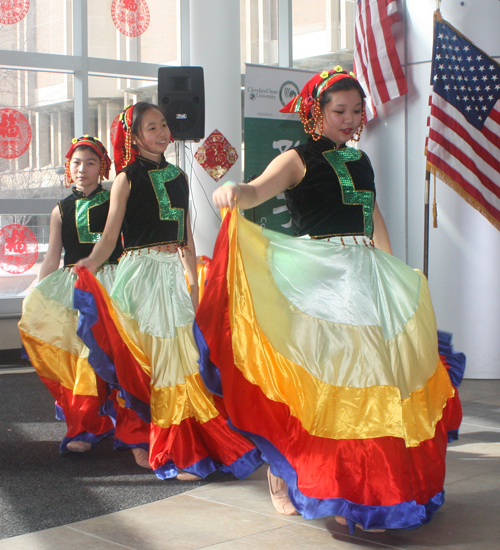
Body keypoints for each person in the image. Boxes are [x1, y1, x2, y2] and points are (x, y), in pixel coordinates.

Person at [195, 67, 463, 531]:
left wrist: (392, 268)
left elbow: (373, 213)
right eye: (340, 110)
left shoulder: (360, 159)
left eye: (357, 110)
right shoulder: (299, 158)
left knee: (376, 381)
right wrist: (235, 191)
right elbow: (257, 189)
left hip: (367, 276)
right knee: (325, 385)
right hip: (320, 279)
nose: (350, 118)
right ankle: (290, 474)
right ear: (317, 113)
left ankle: (364, 487)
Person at [73, 102, 263, 478]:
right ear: (135, 137)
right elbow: (111, 237)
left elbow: (187, 236)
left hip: (172, 275)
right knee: (143, 361)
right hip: (139, 275)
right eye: (151, 128)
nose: (161, 132)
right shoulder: (126, 178)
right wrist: (89, 264)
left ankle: (181, 444)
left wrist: (194, 283)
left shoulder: (179, 175)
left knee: (179, 360)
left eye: (163, 125)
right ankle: (146, 437)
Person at [19, 136, 123, 454]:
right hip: (73, 289)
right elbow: (53, 257)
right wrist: (38, 289)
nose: (83, 169)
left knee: (110, 355)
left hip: (110, 284)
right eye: (77, 163)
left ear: (102, 167)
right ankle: (84, 424)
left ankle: (120, 420)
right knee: (81, 358)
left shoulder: (115, 202)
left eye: (91, 163)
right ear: (68, 168)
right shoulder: (60, 209)